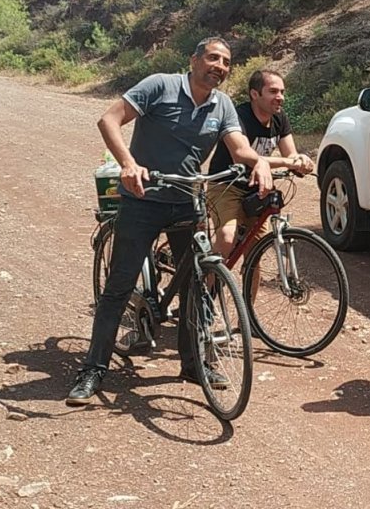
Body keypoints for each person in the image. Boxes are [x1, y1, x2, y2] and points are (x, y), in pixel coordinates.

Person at [66, 37, 273, 407]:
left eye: (226, 62)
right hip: (143, 200)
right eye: (212, 58)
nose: (220, 66)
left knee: (196, 283)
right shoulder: (159, 85)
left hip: (187, 202)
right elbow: (108, 119)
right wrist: (129, 164)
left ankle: (193, 365)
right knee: (118, 287)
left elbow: (239, 147)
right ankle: (93, 369)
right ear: (193, 60)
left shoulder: (222, 104)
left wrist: (258, 162)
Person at [205, 69, 314, 261]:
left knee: (255, 251)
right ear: (254, 94)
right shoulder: (239, 117)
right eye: (273, 91)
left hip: (256, 190)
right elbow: (244, 157)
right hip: (226, 186)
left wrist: (301, 161)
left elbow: (291, 155)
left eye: (282, 92)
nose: (280, 97)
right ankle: (207, 288)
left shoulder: (279, 118)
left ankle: (247, 291)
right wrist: (288, 162)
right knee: (227, 238)